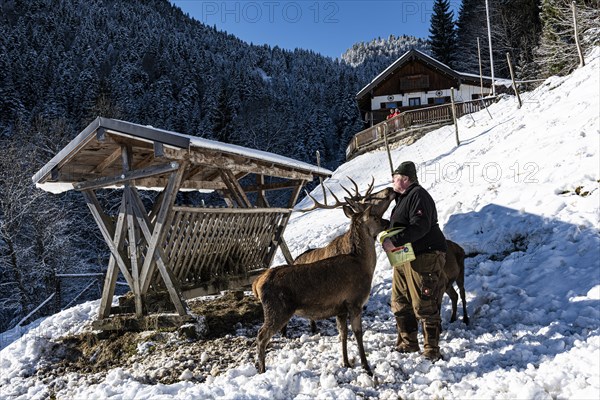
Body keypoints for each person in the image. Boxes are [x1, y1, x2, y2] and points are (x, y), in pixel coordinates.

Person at [381, 161, 448, 362]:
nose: (393, 181)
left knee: (424, 303)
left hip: (425, 254)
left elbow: (420, 226)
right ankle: (408, 342)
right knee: (400, 300)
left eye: (396, 178)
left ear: (406, 179)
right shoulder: (404, 199)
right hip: (405, 256)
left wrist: (395, 241)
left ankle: (431, 349)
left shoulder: (418, 195)